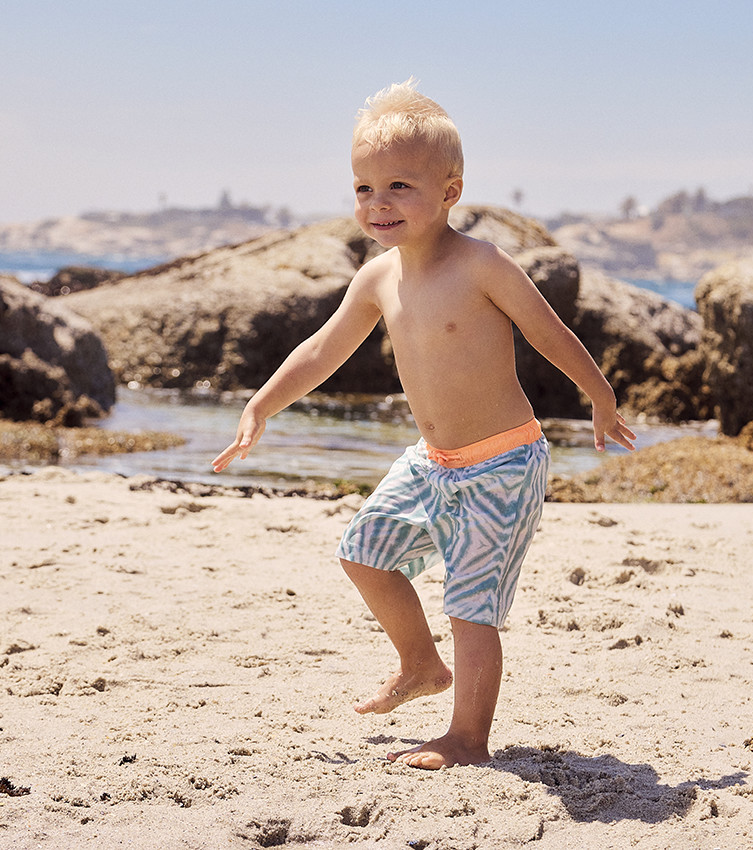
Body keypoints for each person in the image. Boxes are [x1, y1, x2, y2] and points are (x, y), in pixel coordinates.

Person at [212, 80, 636, 770]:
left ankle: (468, 738)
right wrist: (262, 404)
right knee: (363, 553)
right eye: (362, 188)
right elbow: (322, 349)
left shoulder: (482, 266)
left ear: (449, 192)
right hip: (432, 461)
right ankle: (420, 665)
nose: (377, 203)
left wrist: (601, 396)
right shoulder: (377, 278)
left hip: (503, 463)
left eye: (399, 186)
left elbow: (550, 333)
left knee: (472, 607)